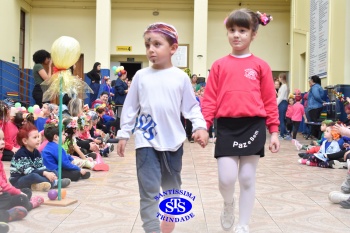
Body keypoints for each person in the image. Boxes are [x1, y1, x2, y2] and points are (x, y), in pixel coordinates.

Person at [116, 22, 208, 233]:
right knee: (148, 191)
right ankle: (152, 230)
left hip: (173, 143)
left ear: (173, 48)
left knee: (171, 191)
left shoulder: (180, 77)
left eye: (157, 44)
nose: (151, 49)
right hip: (145, 141)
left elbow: (191, 107)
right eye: (148, 44)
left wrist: (200, 126)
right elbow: (130, 109)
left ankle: (167, 228)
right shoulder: (140, 76)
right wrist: (123, 134)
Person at [201, 9, 279, 232]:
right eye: (232, 30)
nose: (236, 35)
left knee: (246, 178)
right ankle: (228, 203)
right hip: (226, 126)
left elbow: (269, 100)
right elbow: (209, 100)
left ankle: (243, 224)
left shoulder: (261, 66)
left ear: (253, 34)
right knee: (226, 179)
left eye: (243, 31)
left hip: (253, 125)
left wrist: (274, 131)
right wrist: (204, 126)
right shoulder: (218, 65)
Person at [9, 122, 71, 191]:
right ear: (25, 141)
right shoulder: (20, 154)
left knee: (53, 171)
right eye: (35, 137)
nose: (38, 139)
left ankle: (40, 185)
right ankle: (54, 182)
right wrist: (45, 173)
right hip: (19, 180)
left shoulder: (36, 152)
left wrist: (49, 173)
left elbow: (41, 167)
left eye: (38, 136)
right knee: (33, 176)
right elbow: (29, 171)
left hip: (33, 174)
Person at [307, 75, 324, 139]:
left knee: (315, 123)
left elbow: (316, 96)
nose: (309, 81)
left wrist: (321, 101)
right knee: (316, 122)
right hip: (317, 107)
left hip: (314, 107)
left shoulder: (315, 87)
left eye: (310, 80)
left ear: (313, 81)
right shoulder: (319, 87)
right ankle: (317, 136)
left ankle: (316, 137)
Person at [277, 73, 289, 139]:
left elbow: (281, 97)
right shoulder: (283, 86)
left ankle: (282, 134)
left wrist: (276, 104)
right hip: (282, 102)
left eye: (279, 77)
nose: (278, 79)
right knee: (282, 119)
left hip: (282, 102)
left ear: (281, 78)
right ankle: (284, 132)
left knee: (281, 119)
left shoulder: (284, 86)